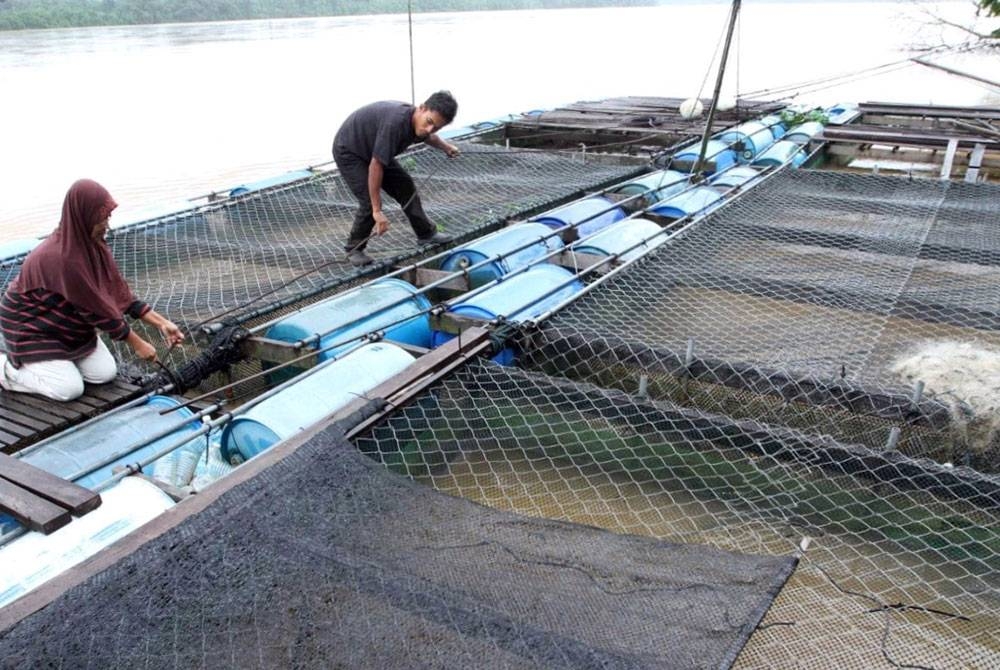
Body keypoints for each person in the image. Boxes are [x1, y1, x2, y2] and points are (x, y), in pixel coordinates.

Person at [0, 179, 184, 401]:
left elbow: (117, 292)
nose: (106, 224)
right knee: (69, 390)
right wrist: (138, 344)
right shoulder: (62, 258)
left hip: (68, 326)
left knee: (104, 374)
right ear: (83, 217)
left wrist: (163, 323)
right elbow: (96, 310)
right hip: (33, 328)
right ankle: (6, 370)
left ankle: (60, 363)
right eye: (101, 218)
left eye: (108, 217)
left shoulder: (93, 244)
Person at [333, 90, 460, 267]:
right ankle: (354, 249)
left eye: (436, 127)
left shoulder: (420, 124)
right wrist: (377, 211)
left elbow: (428, 136)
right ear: (422, 108)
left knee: (405, 186)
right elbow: (376, 166)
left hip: (373, 149)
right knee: (370, 203)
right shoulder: (396, 123)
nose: (429, 129)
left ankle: (426, 234)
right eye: (429, 122)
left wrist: (446, 147)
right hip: (350, 151)